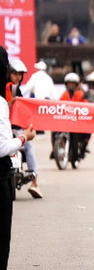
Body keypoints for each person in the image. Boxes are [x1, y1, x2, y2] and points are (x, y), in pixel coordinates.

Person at [0, 47, 36, 269]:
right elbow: (2, 147)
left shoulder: (17, 90)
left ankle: (35, 178)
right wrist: (24, 138)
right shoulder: (2, 98)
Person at [5, 60, 41, 199]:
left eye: (20, 75)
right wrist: (10, 103)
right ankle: (35, 182)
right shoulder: (5, 88)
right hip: (5, 129)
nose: (17, 77)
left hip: (16, 129)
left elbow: (24, 112)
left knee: (29, 147)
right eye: (14, 74)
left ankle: (35, 183)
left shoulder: (17, 90)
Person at [57, 73, 93, 164]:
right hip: (66, 120)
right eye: (69, 84)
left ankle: (79, 153)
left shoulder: (82, 94)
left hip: (78, 121)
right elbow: (58, 104)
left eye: (73, 84)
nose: (71, 86)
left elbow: (86, 105)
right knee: (54, 131)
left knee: (86, 131)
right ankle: (55, 149)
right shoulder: (64, 94)